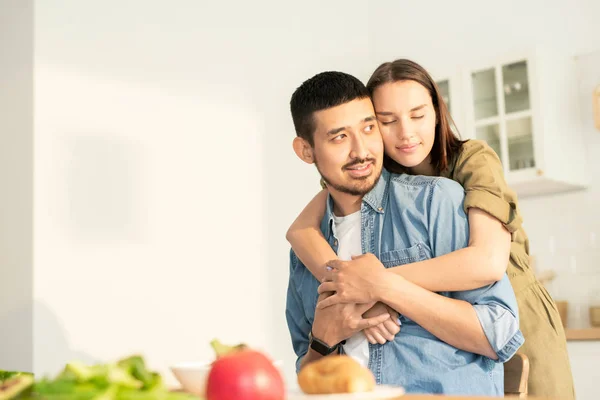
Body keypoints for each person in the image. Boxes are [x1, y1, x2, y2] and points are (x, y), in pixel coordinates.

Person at [286, 59, 575, 399]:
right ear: (307, 151)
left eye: (418, 115)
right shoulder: (330, 213)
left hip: (522, 311)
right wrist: (330, 327)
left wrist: (378, 286)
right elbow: (302, 228)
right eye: (386, 121)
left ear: (438, 113)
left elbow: (487, 263)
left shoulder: (464, 168)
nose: (405, 132)